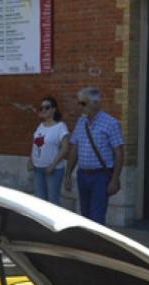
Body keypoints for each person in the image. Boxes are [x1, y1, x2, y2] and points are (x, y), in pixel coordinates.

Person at [63, 86, 124, 224]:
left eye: (83, 103)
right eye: (79, 103)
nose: (80, 107)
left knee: (97, 216)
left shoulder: (111, 123)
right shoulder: (81, 122)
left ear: (95, 103)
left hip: (101, 176)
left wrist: (114, 179)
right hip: (83, 174)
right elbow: (74, 149)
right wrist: (68, 174)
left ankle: (97, 244)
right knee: (85, 215)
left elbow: (119, 153)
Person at [28, 96, 70, 205]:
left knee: (52, 202)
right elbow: (35, 145)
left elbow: (65, 148)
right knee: (40, 201)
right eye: (41, 108)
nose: (43, 110)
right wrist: (30, 160)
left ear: (54, 109)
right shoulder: (40, 126)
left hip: (53, 170)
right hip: (38, 169)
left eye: (47, 107)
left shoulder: (60, 126)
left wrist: (52, 165)